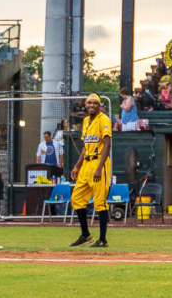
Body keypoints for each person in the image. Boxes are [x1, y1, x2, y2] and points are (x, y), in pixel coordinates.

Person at [69, 94, 112, 248]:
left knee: (100, 202)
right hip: (86, 164)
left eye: (95, 103)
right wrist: (77, 166)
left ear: (99, 105)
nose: (92, 105)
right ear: (85, 105)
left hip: (99, 163)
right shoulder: (86, 121)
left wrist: (100, 168)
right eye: (89, 103)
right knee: (77, 199)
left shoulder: (104, 119)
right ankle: (85, 235)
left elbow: (107, 145)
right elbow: (85, 147)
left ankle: (103, 240)